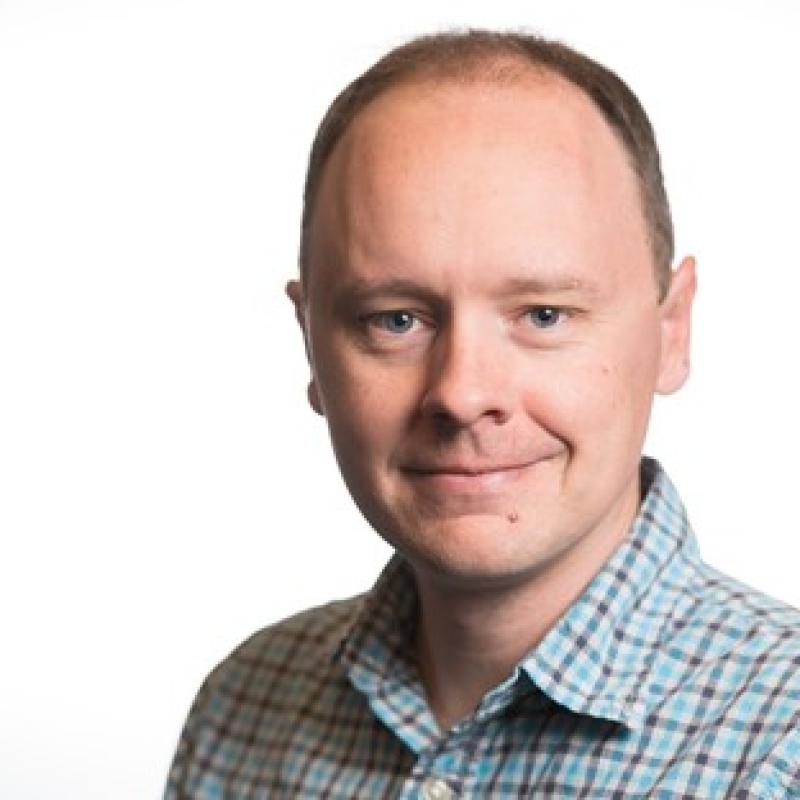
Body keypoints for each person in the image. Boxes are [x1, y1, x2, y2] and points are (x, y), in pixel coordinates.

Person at [164, 30, 800, 798]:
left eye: (543, 315)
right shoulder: (244, 706)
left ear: (671, 330)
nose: (462, 395)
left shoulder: (783, 747)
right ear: (310, 342)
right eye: (396, 320)